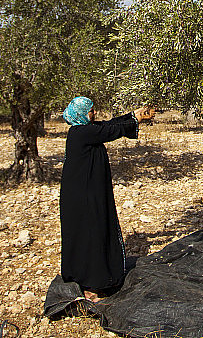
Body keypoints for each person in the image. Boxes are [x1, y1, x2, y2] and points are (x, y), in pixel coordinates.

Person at [59, 96, 155, 303]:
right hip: (83, 197)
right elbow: (111, 131)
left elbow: (109, 124)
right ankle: (91, 285)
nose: (94, 113)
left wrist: (134, 114)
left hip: (87, 192)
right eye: (91, 110)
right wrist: (136, 119)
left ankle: (91, 278)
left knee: (92, 232)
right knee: (91, 234)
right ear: (81, 113)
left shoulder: (84, 130)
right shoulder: (81, 133)